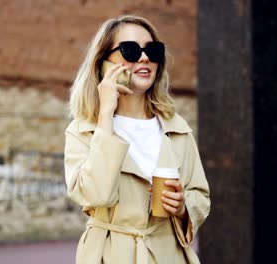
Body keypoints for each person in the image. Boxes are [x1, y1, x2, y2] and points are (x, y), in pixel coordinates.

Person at [64, 15, 211, 264]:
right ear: (104, 63)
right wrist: (105, 116)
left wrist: (183, 206)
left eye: (152, 50)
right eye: (130, 50)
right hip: (109, 255)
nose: (144, 58)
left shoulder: (177, 128)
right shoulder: (84, 130)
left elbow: (201, 195)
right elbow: (94, 195)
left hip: (169, 255)